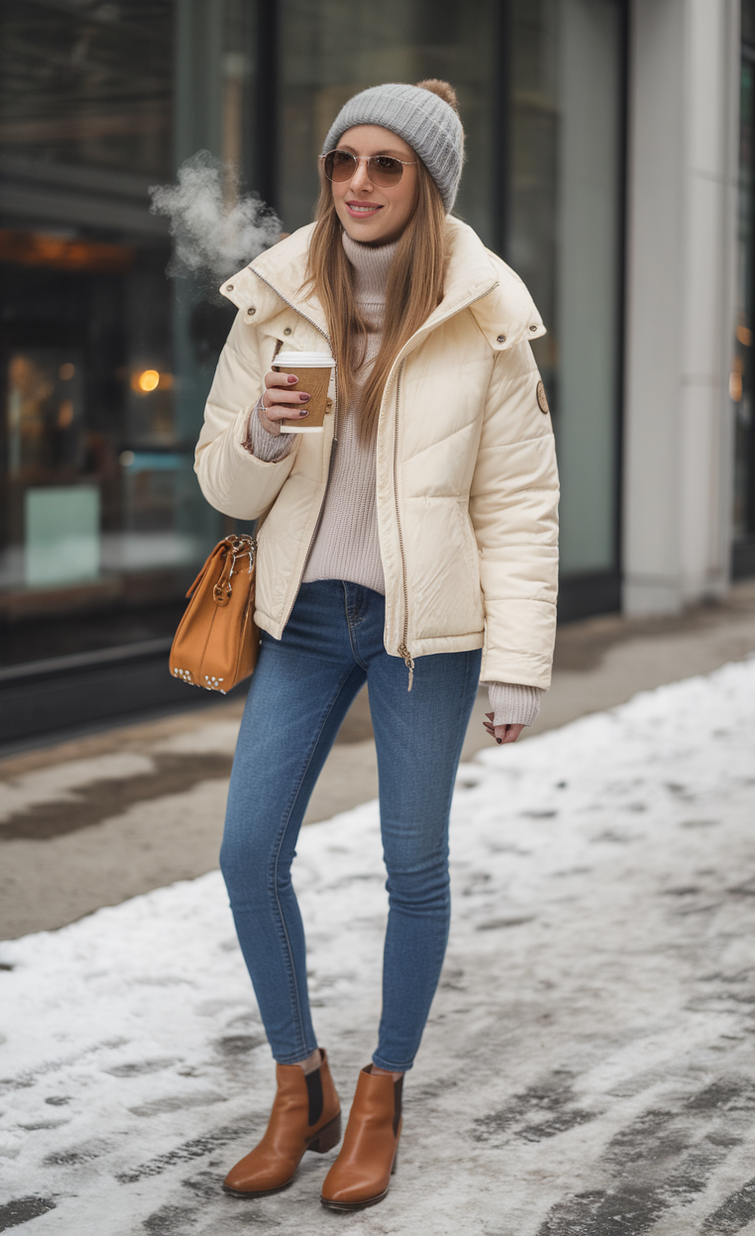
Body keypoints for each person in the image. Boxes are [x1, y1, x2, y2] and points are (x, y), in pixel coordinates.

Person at [194, 79, 559, 1211]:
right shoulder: (272, 302)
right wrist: (258, 432)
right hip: (300, 621)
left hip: (423, 635)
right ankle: (298, 1082)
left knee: (413, 864)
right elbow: (220, 478)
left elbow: (520, 503)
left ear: (427, 184)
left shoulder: (482, 312)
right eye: (342, 160)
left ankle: (383, 1088)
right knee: (246, 853)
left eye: (385, 164)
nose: (356, 182)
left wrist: (514, 662)